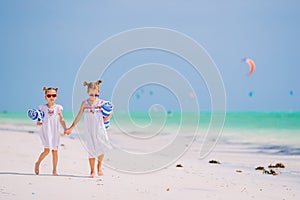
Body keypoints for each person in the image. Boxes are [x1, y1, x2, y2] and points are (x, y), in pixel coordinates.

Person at [65, 80, 112, 177]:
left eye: (96, 95)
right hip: (89, 130)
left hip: (99, 129)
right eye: (91, 94)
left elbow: (110, 110)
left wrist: (107, 118)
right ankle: (92, 170)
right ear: (87, 93)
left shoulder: (102, 103)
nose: (94, 97)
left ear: (98, 92)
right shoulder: (84, 103)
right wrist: (71, 127)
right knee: (91, 149)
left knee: (101, 148)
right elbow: (78, 116)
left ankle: (99, 166)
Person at [35, 87, 67, 176]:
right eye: (49, 95)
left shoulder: (58, 108)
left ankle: (54, 170)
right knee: (46, 150)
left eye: (54, 95)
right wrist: (38, 122)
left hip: (55, 132)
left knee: (55, 151)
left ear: (56, 96)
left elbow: (61, 119)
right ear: (46, 97)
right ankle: (37, 163)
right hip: (45, 131)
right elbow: (39, 119)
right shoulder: (42, 107)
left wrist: (65, 128)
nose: (51, 97)